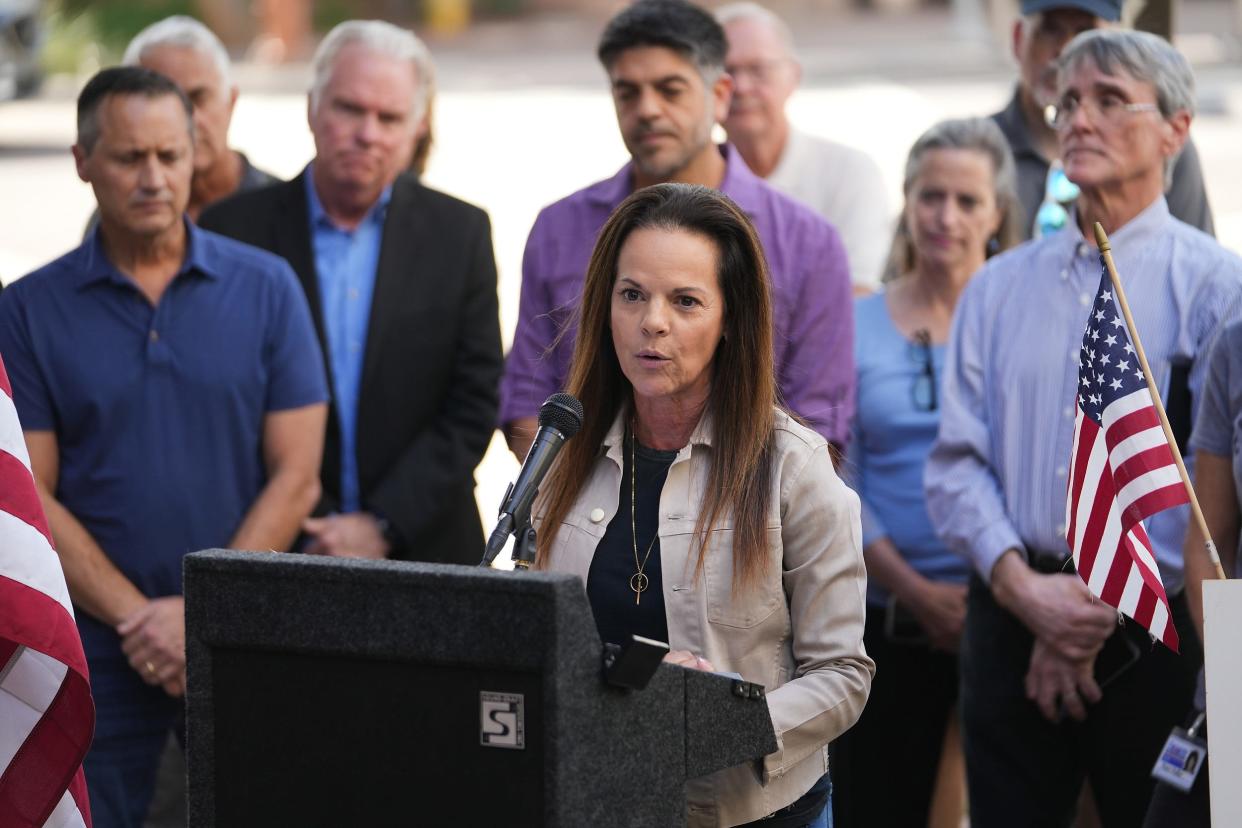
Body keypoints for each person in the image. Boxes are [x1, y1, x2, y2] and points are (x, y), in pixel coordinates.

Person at [926, 29, 1242, 826]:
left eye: (1109, 100)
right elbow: (957, 462)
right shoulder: (996, 288)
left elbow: (1215, 494)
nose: (1078, 119)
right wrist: (1029, 594)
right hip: (1009, 614)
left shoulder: (1217, 287)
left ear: (1176, 128)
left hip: (1162, 629)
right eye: (1068, 102)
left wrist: (1095, 614)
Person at [0, 66, 328, 827]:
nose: (154, 177)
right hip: (96, 650)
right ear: (83, 162)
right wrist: (143, 619)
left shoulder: (267, 287)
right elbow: (28, 492)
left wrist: (202, 613)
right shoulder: (25, 310)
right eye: (128, 157)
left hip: (239, 633)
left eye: (170, 156)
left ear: (196, 155)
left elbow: (298, 475)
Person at [533, 182, 872, 828]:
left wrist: (717, 719)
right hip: (599, 804)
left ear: (729, 322)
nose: (651, 322)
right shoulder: (563, 450)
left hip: (754, 815)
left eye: (685, 301)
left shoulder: (794, 468)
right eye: (632, 295)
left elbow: (844, 676)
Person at [200, 20, 503, 565]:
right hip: (273, 551)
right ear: (313, 107)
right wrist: (299, 520)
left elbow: (474, 401)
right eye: (349, 109)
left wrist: (383, 522)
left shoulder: (460, 233)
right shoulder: (230, 231)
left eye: (388, 118)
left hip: (426, 549)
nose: (367, 132)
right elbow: (217, 401)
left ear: (417, 129)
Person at [500, 0, 854, 461]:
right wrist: (582, 511)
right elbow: (529, 403)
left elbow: (819, 428)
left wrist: (707, 522)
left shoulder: (807, 243)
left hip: (744, 518)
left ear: (721, 95)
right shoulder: (559, 228)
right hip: (583, 516)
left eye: (670, 90)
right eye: (628, 93)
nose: (648, 110)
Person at [831, 117, 1021, 827]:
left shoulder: (1023, 316)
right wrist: (911, 590)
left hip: (1009, 610)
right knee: (880, 803)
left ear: (998, 212)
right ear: (907, 202)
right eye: (930, 195)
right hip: (887, 618)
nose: (946, 216)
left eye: (967, 201)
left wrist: (999, 582)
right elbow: (838, 475)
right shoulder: (857, 322)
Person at [991, 0, 1214, 239]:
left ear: (1117, 44)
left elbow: (1192, 262)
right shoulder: (979, 152)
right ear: (1017, 40)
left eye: (1086, 32)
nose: (1067, 50)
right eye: (1051, 29)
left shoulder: (1155, 140)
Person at [716, 2, 891, 291]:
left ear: (793, 77)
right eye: (727, 72)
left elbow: (855, 295)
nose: (742, 86)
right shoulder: (688, 181)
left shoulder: (848, 173)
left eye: (758, 70)